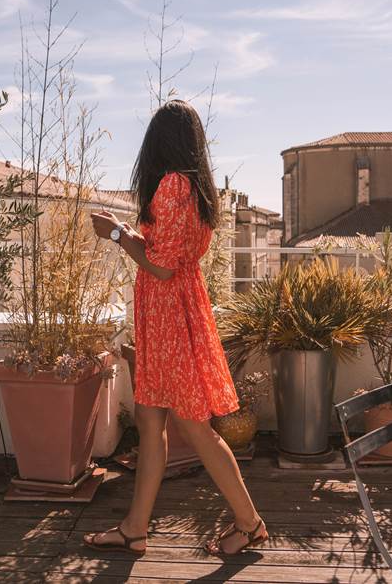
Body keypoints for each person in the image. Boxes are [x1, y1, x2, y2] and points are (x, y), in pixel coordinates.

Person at [85, 99, 268, 558]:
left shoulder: (171, 185)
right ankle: (135, 529)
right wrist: (131, 234)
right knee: (150, 422)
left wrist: (113, 235)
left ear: (159, 141)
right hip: (173, 313)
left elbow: (161, 268)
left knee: (194, 426)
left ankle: (250, 524)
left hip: (168, 316)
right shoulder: (197, 188)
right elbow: (169, 252)